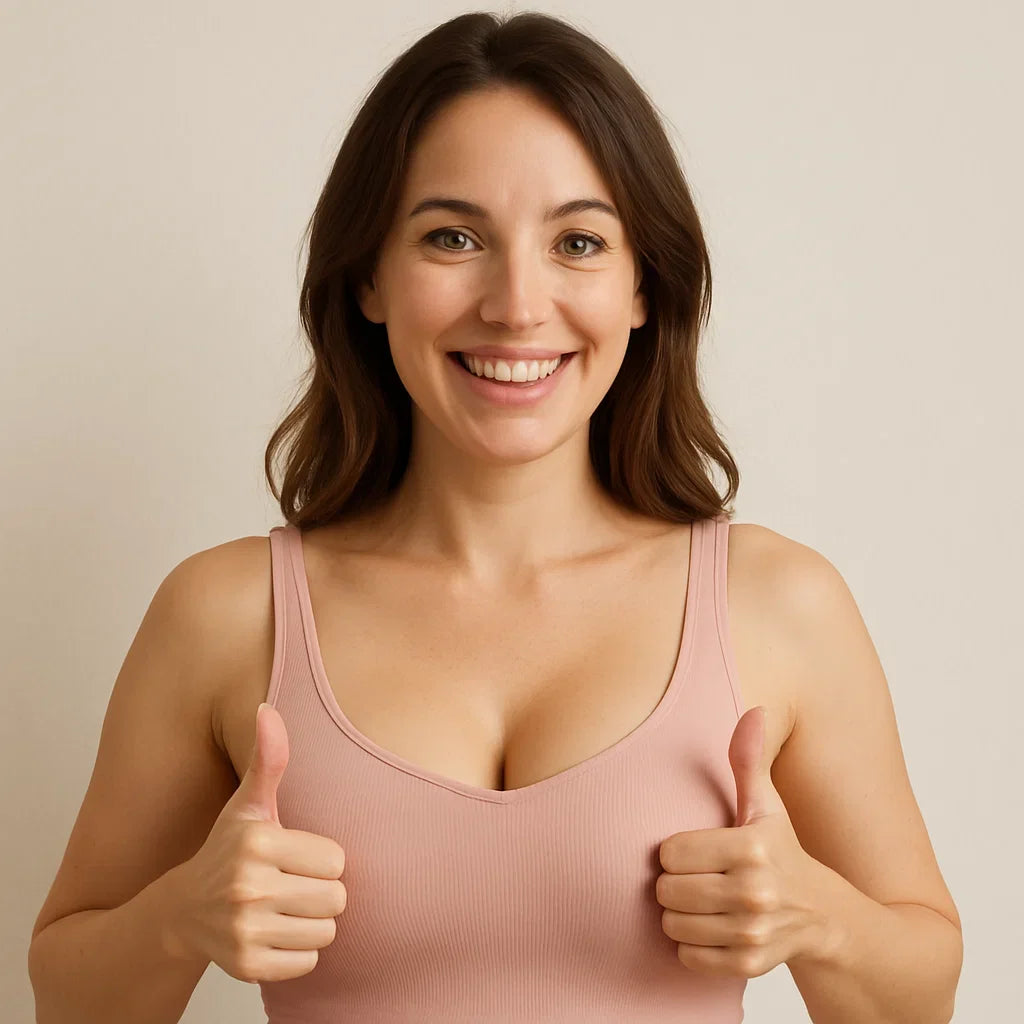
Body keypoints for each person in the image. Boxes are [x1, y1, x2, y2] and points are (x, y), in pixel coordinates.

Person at [28, 10, 961, 1024]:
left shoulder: (780, 605)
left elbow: (922, 996)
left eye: (576, 241)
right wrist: (179, 919)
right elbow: (66, 999)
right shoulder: (223, 612)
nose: (517, 304)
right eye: (452, 236)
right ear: (370, 277)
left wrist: (817, 918)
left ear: (641, 284)